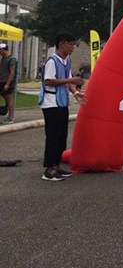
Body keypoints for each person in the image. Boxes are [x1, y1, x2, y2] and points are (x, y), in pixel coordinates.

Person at [38, 33, 85, 181]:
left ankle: (56, 166)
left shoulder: (67, 61)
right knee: (53, 136)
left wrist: (76, 92)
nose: (73, 47)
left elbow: (68, 81)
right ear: (61, 44)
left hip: (62, 102)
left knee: (61, 136)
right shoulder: (52, 61)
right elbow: (49, 81)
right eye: (70, 44)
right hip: (51, 103)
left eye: (73, 44)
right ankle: (49, 170)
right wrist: (71, 80)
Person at [0, 43, 17, 125]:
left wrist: (7, 84)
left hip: (7, 82)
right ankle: (3, 111)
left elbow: (12, 72)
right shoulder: (3, 58)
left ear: (2, 50)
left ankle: (11, 117)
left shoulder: (12, 59)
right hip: (1, 81)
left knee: (8, 99)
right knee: (5, 98)